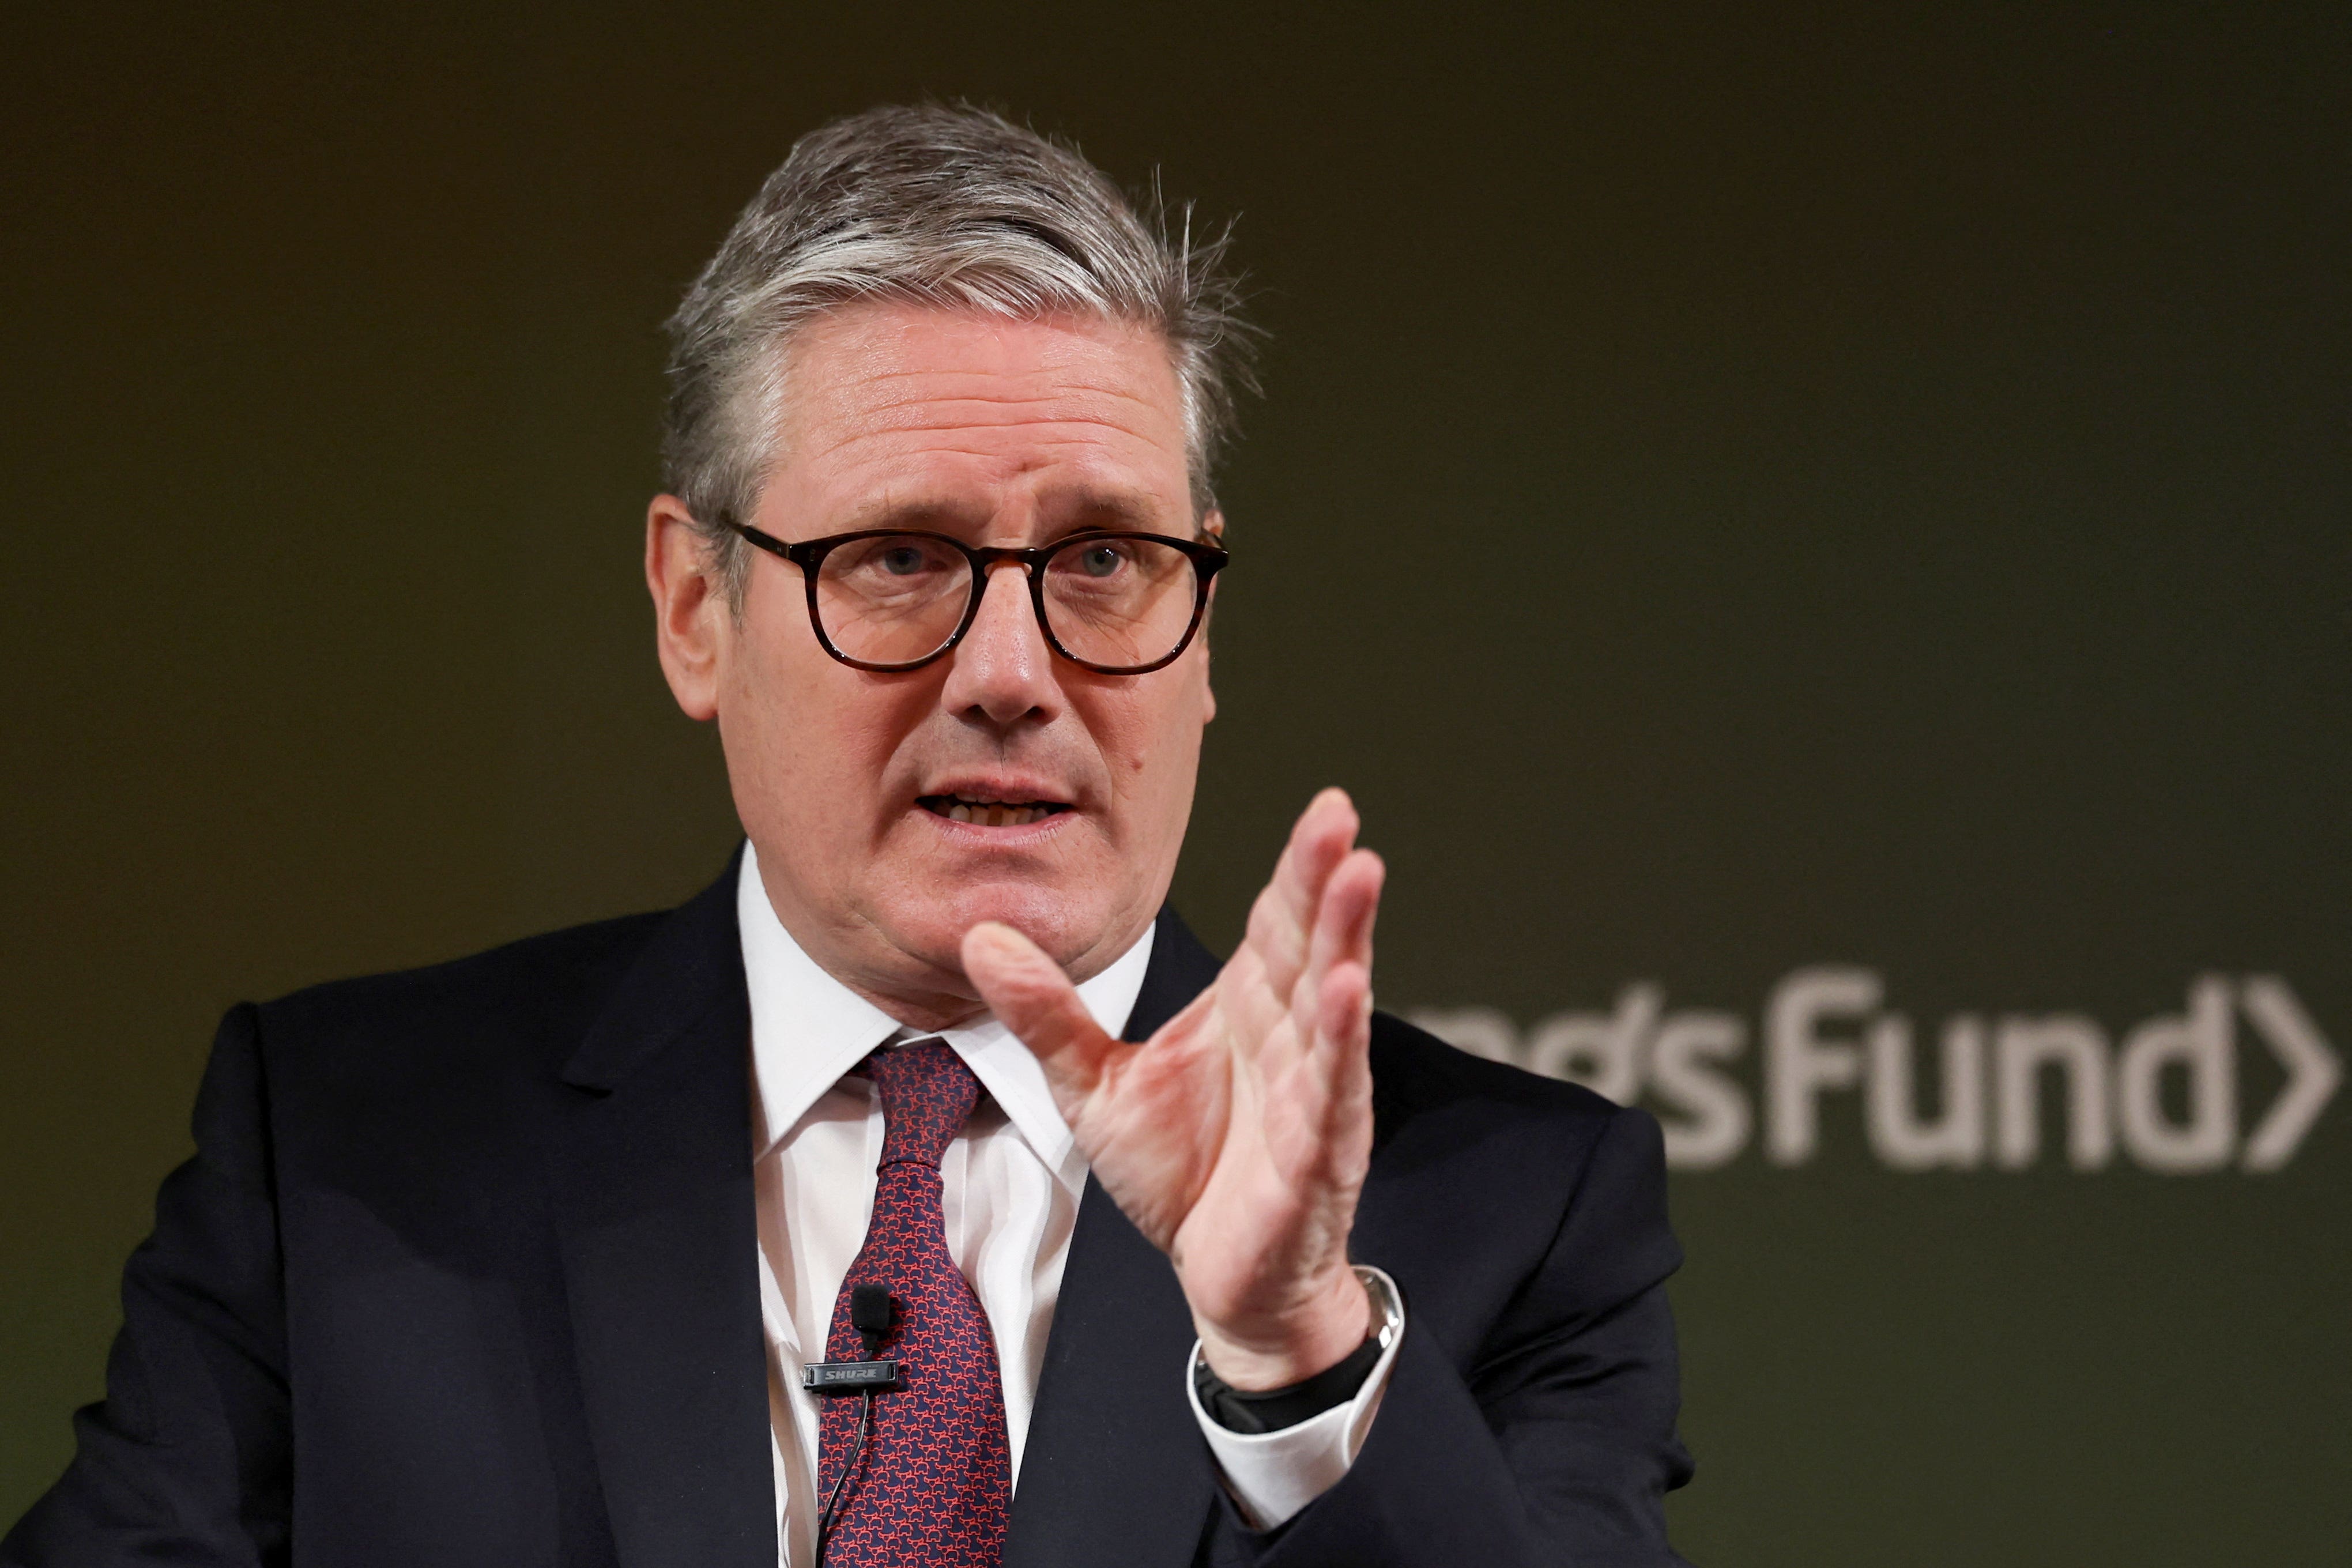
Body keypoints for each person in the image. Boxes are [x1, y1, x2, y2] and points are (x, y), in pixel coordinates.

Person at [3, 104, 1694, 1568]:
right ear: (694, 609)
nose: (1015, 675)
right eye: (900, 559)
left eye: (1106, 559)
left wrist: (1294, 1348)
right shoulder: (349, 1158)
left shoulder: (1507, 1213)